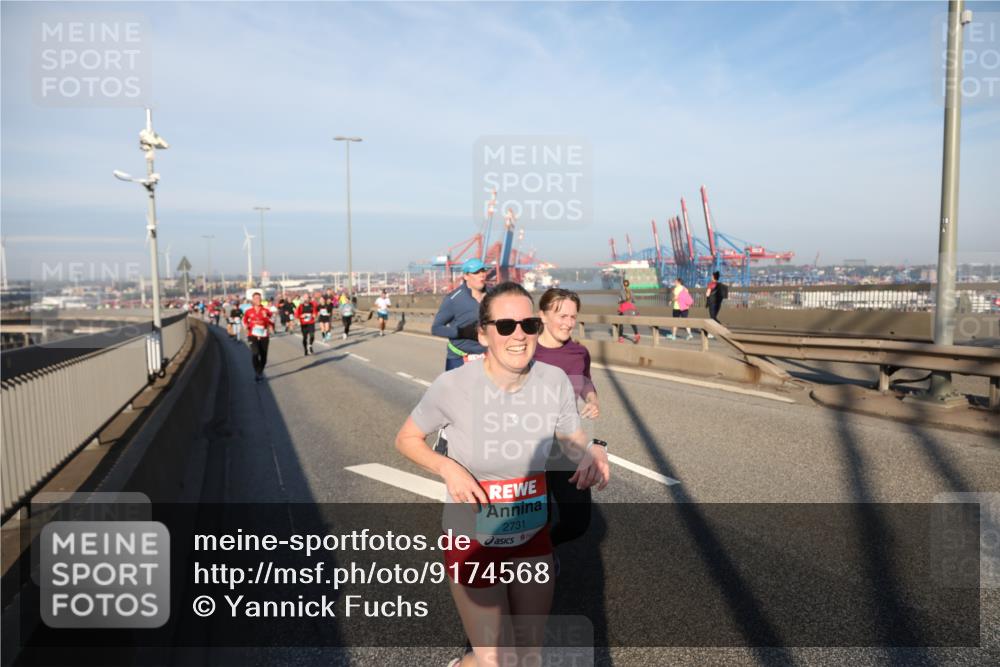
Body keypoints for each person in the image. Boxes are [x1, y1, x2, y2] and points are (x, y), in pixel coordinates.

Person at [395, 282, 610, 667]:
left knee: (528, 657)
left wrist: (592, 453)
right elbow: (407, 438)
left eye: (528, 324)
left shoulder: (553, 381)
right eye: (505, 325)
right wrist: (449, 468)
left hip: (532, 537)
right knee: (497, 660)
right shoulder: (454, 385)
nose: (519, 335)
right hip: (474, 539)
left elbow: (572, 439)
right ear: (483, 333)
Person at [534, 288, 600, 549]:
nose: (568, 323)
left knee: (577, 522)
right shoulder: (525, 350)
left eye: (573, 317)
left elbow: (585, 381)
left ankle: (545, 549)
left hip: (566, 445)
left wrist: (592, 399)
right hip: (529, 446)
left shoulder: (579, 353)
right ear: (543, 315)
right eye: (561, 316)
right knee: (540, 518)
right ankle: (537, 560)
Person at [432, 258, 489, 371]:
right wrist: (462, 332)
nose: (482, 275)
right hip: (459, 359)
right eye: (476, 272)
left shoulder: (494, 295)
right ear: (466, 276)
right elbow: (436, 328)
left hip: (488, 357)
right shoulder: (453, 299)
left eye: (483, 271)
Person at [242, 291, 274, 383]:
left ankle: (259, 371)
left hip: (264, 335)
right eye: (256, 298)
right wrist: (246, 327)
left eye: (259, 298)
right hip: (252, 335)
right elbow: (244, 321)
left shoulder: (266, 311)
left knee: (263, 356)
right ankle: (257, 372)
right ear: (253, 300)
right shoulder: (248, 311)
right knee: (255, 353)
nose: (258, 300)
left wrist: (267, 318)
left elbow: (272, 320)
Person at [616, 279, 640, 344]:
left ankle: (620, 338)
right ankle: (637, 335)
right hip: (631, 308)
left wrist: (621, 301)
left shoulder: (621, 292)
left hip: (623, 308)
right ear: (628, 284)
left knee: (621, 323)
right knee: (632, 322)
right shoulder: (631, 292)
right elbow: (634, 301)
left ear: (623, 284)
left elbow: (620, 300)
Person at [705, 270, 727, 337]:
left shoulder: (711, 284)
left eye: (712, 276)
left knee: (712, 318)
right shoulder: (720, 284)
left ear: (714, 277)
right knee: (714, 317)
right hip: (718, 303)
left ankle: (719, 329)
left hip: (712, 303)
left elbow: (707, 294)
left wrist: (707, 297)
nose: (711, 277)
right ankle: (716, 331)